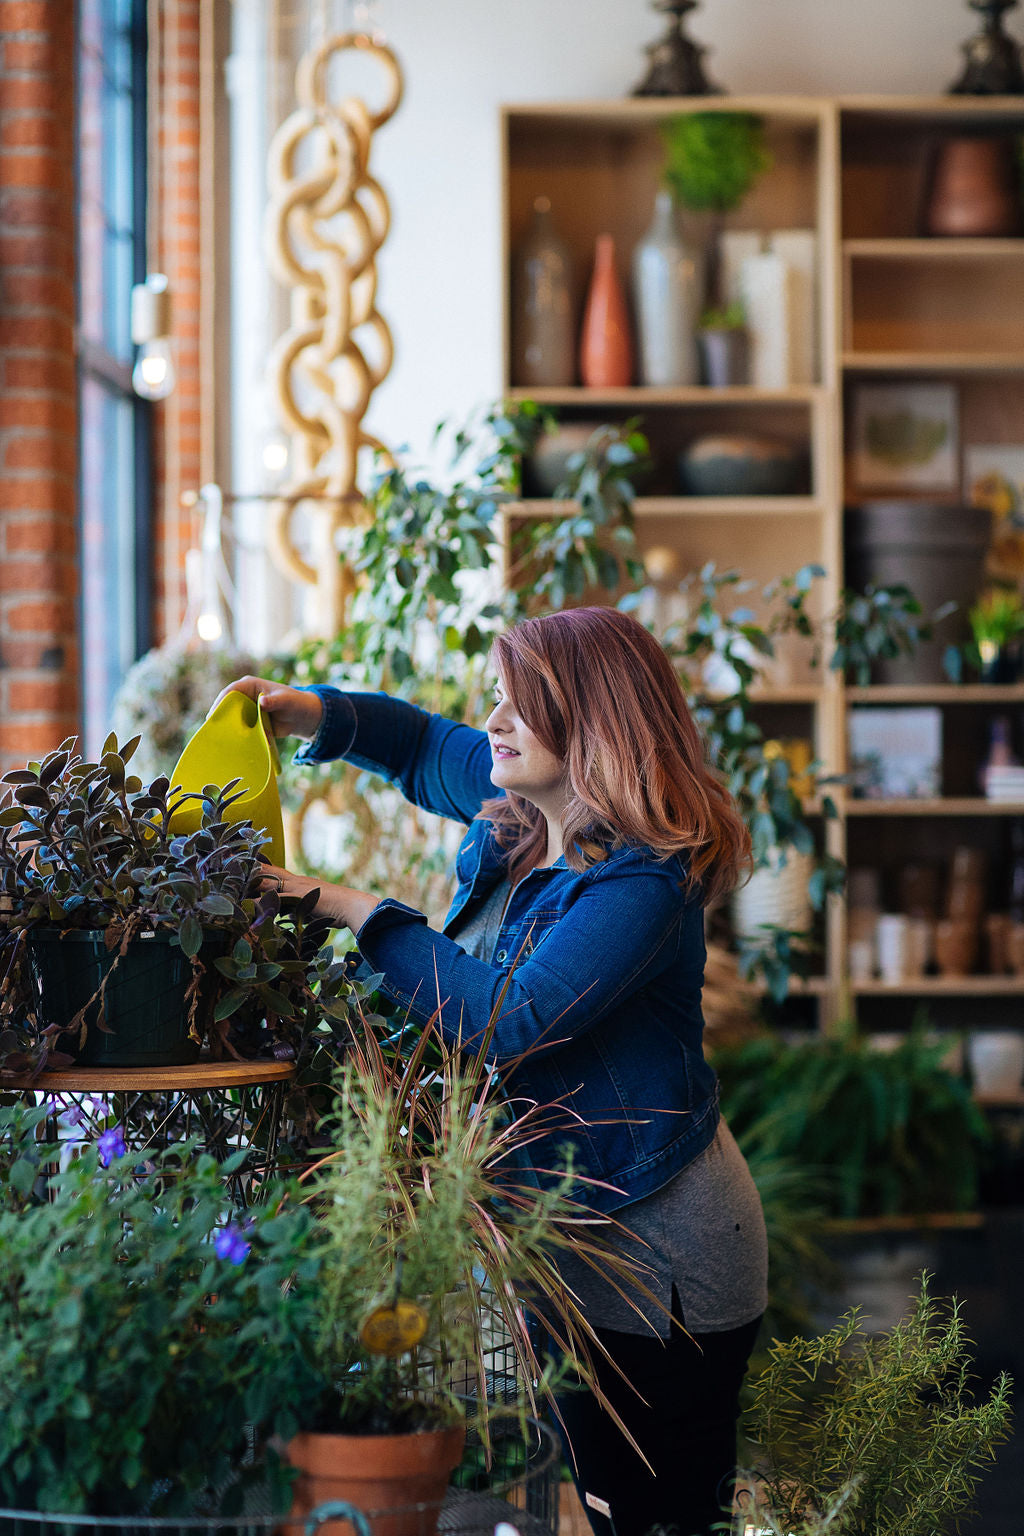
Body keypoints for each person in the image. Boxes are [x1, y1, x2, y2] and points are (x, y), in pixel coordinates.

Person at [216, 606, 768, 1536]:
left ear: (594, 721)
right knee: (585, 1492)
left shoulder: (642, 880)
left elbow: (504, 1020)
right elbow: (422, 742)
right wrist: (304, 711)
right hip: (571, 1220)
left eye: (521, 706)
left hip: (661, 1242)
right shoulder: (522, 808)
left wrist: (355, 908)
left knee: (650, 1509)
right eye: (498, 701)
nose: (496, 724)